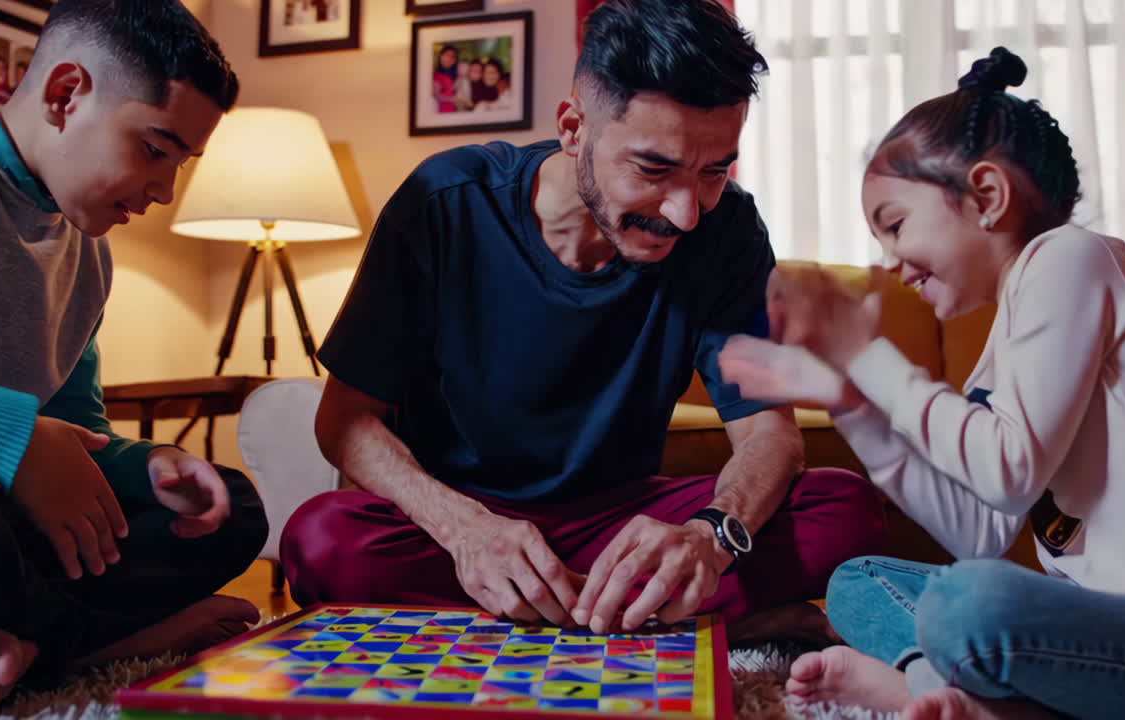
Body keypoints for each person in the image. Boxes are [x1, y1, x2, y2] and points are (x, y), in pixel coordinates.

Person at [281, 0, 885, 638]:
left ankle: (547, 615)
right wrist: (466, 531)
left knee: (842, 509)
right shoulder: (446, 202)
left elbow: (770, 433)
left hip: (617, 525)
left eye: (713, 172)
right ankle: (689, 620)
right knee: (320, 538)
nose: (685, 213)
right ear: (574, 128)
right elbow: (344, 420)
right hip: (464, 522)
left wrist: (710, 535)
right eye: (654, 169)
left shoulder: (727, 228)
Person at [719, 47, 1125, 720]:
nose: (893, 264)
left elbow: (1006, 468)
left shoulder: (1069, 259)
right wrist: (853, 406)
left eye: (895, 224)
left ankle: (966, 699)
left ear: (987, 195)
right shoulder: (1006, 338)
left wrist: (870, 357)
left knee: (971, 603)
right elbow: (978, 529)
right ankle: (945, 691)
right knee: (861, 582)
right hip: (1101, 630)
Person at [0, 1, 268, 717]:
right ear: (65, 94)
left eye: (180, 164)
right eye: (154, 149)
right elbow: (21, 443)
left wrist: (147, 467)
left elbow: (77, 432)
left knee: (230, 508)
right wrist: (2, 434)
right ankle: (87, 646)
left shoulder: (90, 257)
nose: (164, 192)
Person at [432, 44, 459, 113]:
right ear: (441, 56)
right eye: (447, 55)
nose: (449, 59)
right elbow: (435, 96)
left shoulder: (456, 75)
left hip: (454, 111)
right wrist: (452, 99)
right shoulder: (435, 75)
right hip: (441, 111)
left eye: (453, 57)